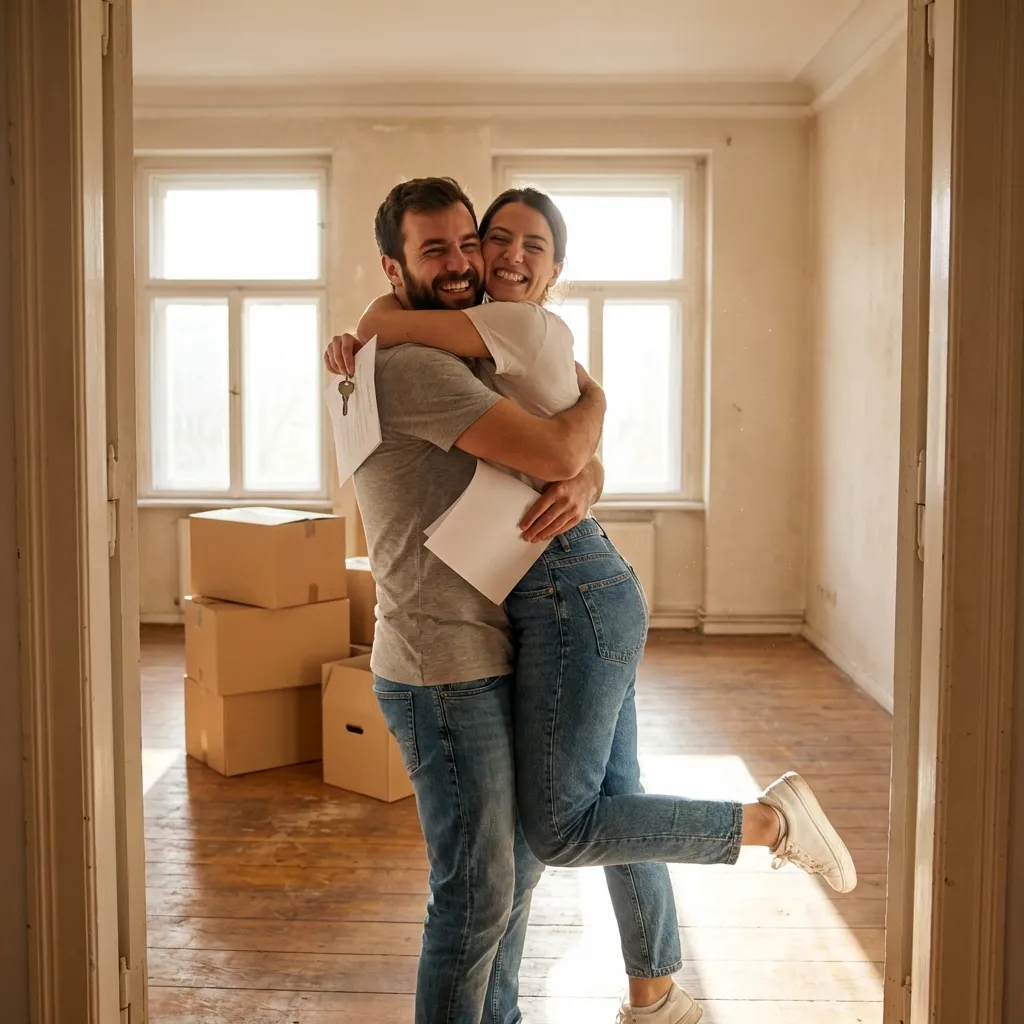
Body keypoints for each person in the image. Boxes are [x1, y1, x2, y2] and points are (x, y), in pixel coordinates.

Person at [326, 183, 858, 1024]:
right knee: (502, 878)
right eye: (442, 250)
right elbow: (552, 445)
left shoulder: (473, 343)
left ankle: (654, 988)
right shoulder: (415, 364)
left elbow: (552, 460)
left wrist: (587, 468)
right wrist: (594, 416)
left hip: (536, 620)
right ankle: (754, 841)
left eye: (476, 243)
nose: (472, 262)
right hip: (451, 661)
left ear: (555, 266)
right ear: (394, 266)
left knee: (525, 867)